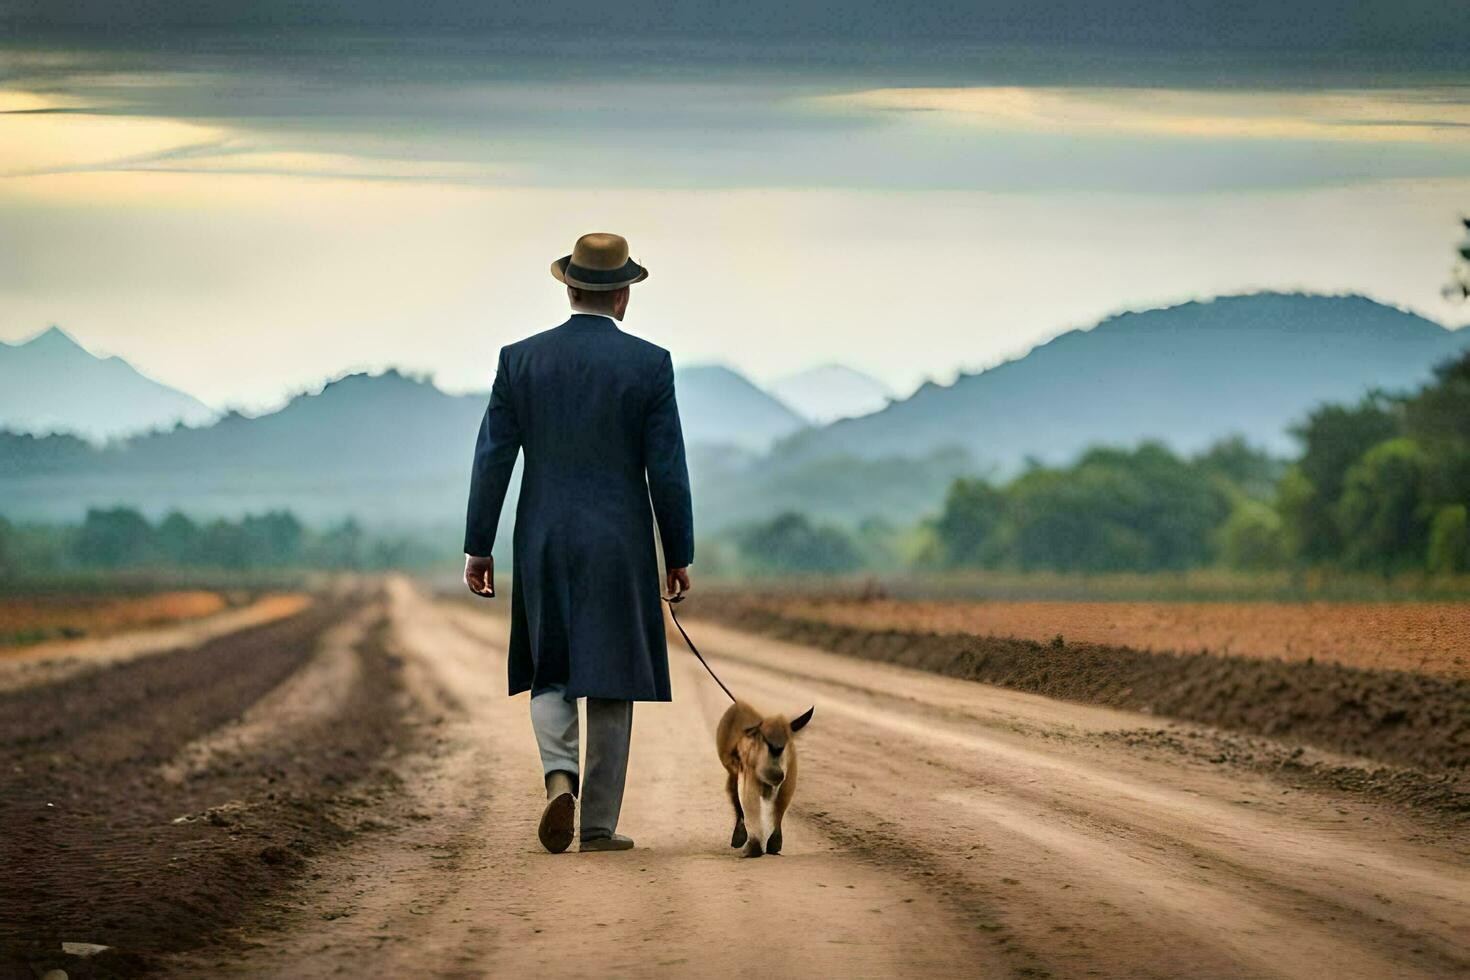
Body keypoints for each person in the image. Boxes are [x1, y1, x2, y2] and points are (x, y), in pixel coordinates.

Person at [462, 232, 693, 853]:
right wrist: (679, 554)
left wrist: (477, 545)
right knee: (613, 676)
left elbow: (492, 459)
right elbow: (666, 468)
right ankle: (596, 825)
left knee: (550, 669)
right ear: (623, 295)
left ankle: (558, 778)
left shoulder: (520, 360)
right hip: (619, 541)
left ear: (569, 288)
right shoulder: (650, 364)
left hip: (542, 535)